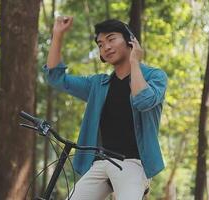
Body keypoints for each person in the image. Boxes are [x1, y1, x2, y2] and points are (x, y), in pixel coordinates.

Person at [43, 16, 168, 200]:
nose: (106, 47)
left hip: (133, 163)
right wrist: (58, 34)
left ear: (130, 41)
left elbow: (143, 100)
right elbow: (56, 78)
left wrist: (135, 62)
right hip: (101, 162)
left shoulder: (155, 76)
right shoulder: (98, 84)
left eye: (111, 39)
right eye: (101, 44)